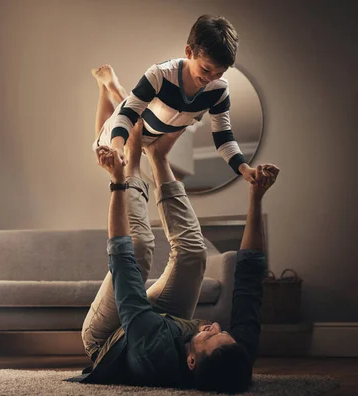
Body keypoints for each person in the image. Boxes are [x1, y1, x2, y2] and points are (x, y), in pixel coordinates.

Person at [68, 126, 280, 391]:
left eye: (209, 335)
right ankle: (158, 156)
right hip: (165, 326)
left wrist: (119, 182)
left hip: (112, 337)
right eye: (223, 332)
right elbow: (249, 278)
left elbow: (123, 264)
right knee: (193, 254)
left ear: (191, 361)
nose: (214, 325)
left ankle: (132, 161)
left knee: (139, 249)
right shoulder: (237, 354)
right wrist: (256, 196)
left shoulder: (152, 350)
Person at [92, 14, 258, 185]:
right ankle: (106, 87)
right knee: (99, 140)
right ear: (189, 52)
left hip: (153, 132)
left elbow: (224, 137)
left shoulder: (219, 91)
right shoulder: (160, 74)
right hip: (127, 122)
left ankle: (115, 89)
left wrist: (244, 168)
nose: (211, 79)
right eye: (206, 70)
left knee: (140, 108)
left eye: (219, 73)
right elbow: (127, 115)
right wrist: (117, 147)